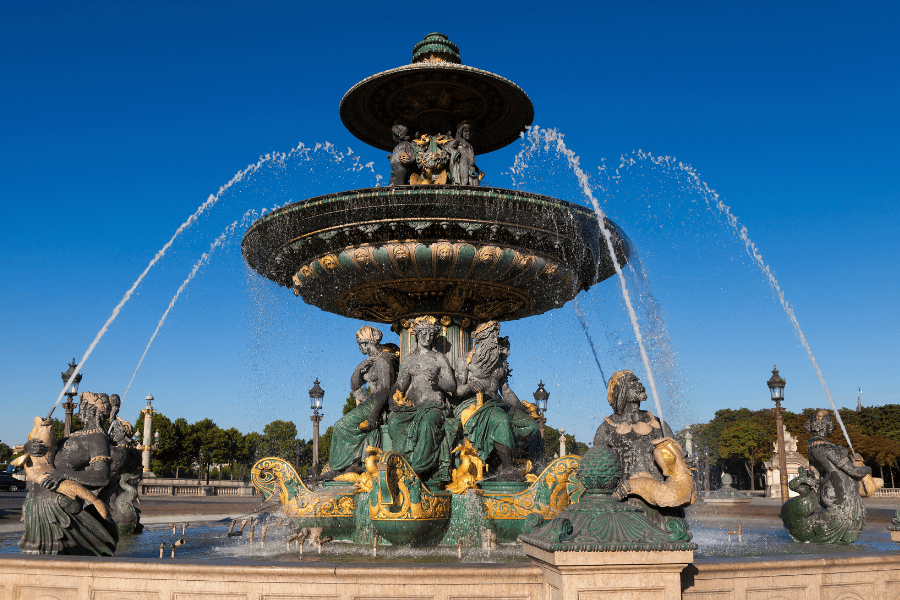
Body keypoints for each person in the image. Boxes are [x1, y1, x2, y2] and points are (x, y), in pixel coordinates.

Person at [19, 392, 118, 555]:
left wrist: (63, 474)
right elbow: (42, 460)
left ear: (92, 410)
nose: (80, 409)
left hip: (60, 506)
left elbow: (102, 477)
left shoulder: (98, 438)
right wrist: (29, 447)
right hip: (37, 503)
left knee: (60, 559)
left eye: (83, 406)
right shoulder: (67, 439)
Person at [454, 321, 539, 480]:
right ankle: (508, 468)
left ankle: (500, 457)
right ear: (482, 338)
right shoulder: (465, 361)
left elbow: (505, 390)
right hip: (475, 404)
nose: (495, 340)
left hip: (498, 404)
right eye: (493, 336)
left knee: (532, 426)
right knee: (501, 421)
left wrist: (523, 409)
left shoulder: (501, 363)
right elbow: (458, 391)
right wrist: (471, 386)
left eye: (496, 336)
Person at [322, 326, 399, 479]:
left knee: (341, 426)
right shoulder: (370, 363)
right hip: (369, 403)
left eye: (360, 345)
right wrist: (358, 369)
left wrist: (374, 414)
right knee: (344, 426)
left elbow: (385, 390)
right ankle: (351, 463)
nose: (359, 348)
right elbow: (355, 385)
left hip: (377, 404)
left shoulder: (383, 361)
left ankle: (339, 467)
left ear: (366, 343)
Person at [388, 315, 457, 481]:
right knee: (394, 421)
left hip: (435, 406)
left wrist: (438, 381)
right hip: (414, 407)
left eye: (431, 334)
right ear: (417, 335)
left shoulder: (439, 358)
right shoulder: (409, 360)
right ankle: (404, 460)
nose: (427, 338)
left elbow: (452, 386)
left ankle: (419, 468)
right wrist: (392, 399)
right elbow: (400, 385)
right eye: (424, 334)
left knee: (427, 424)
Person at [593, 369, 674, 482]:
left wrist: (684, 461)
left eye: (637, 381)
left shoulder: (658, 423)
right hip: (625, 490)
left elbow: (675, 457)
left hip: (659, 489)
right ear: (620, 390)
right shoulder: (607, 428)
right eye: (632, 381)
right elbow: (597, 469)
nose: (639, 384)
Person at [804, 409, 871, 543]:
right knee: (848, 524)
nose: (831, 427)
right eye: (830, 424)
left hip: (826, 487)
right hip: (839, 490)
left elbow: (814, 472)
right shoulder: (827, 448)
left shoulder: (812, 446)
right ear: (825, 425)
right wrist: (868, 468)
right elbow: (853, 471)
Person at [447, 122, 483, 186]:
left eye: (470, 132)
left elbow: (470, 160)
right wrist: (454, 152)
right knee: (464, 182)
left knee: (475, 183)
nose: (468, 133)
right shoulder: (458, 141)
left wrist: (478, 170)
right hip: (462, 164)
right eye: (466, 131)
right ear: (461, 132)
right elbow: (447, 147)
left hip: (471, 168)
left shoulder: (469, 145)